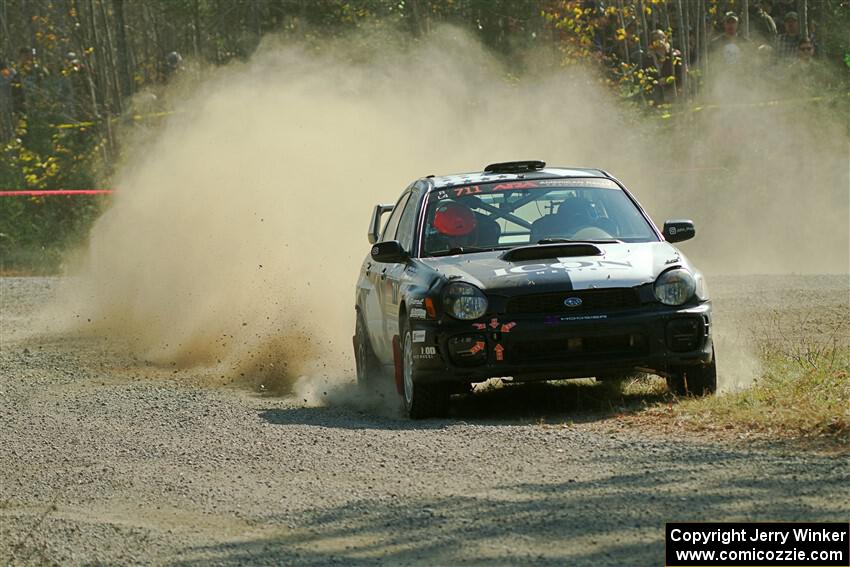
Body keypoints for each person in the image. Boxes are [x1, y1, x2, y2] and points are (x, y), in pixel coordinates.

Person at [641, 30, 681, 104]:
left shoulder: (675, 54)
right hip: (657, 91)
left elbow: (682, 72)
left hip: (675, 88)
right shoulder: (649, 58)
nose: (658, 40)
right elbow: (646, 76)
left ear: (665, 39)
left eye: (661, 37)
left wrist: (668, 79)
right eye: (655, 38)